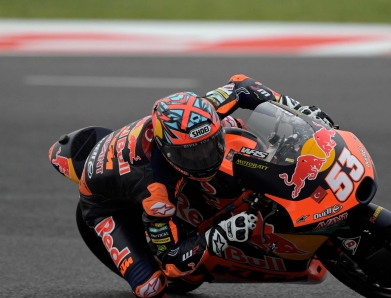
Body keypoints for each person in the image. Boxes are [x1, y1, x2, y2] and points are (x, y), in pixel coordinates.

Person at [78, 74, 335, 298]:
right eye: (190, 155)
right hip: (104, 202)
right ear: (168, 151)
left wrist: (299, 110)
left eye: (209, 145)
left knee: (235, 128)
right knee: (150, 288)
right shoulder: (156, 190)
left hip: (153, 151)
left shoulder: (202, 111)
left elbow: (244, 86)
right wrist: (220, 234)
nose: (204, 159)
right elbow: (171, 260)